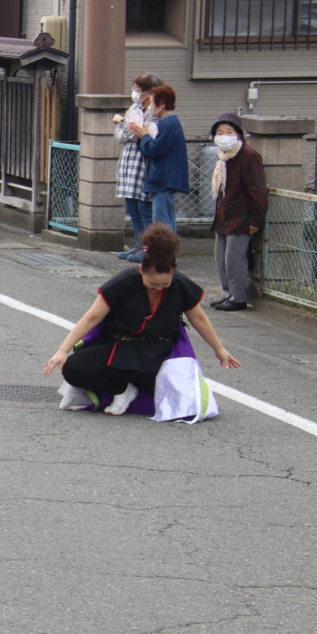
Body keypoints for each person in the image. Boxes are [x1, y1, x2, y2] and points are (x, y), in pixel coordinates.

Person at [43, 223, 239, 421]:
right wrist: (63, 350)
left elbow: (199, 319)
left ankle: (140, 387)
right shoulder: (123, 282)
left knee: (187, 404)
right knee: (74, 368)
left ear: (174, 272)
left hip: (159, 353)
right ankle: (122, 389)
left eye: (165, 284)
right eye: (153, 283)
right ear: (140, 270)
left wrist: (219, 350)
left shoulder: (180, 284)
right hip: (118, 348)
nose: (158, 288)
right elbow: (92, 317)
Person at [209, 112, 267, 312]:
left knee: (235, 259)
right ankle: (229, 293)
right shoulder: (223, 157)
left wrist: (255, 220)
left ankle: (238, 297)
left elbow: (258, 191)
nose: (224, 135)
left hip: (241, 218)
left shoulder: (248, 156)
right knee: (221, 259)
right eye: (219, 132)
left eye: (229, 131)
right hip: (224, 217)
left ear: (239, 134)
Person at [113, 72, 161, 261]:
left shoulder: (154, 112)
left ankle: (148, 249)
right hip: (128, 163)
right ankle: (138, 245)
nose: (135, 93)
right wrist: (126, 126)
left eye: (138, 89)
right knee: (132, 208)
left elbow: (137, 133)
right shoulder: (134, 107)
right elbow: (120, 136)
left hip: (143, 164)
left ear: (149, 92)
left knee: (144, 209)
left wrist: (122, 123)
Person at [129, 85, 189, 232]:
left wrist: (144, 135)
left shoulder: (169, 124)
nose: (150, 106)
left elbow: (155, 149)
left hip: (163, 178)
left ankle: (164, 252)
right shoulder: (169, 123)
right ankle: (168, 252)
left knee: (161, 221)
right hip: (163, 178)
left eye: (152, 102)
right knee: (165, 219)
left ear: (161, 104)